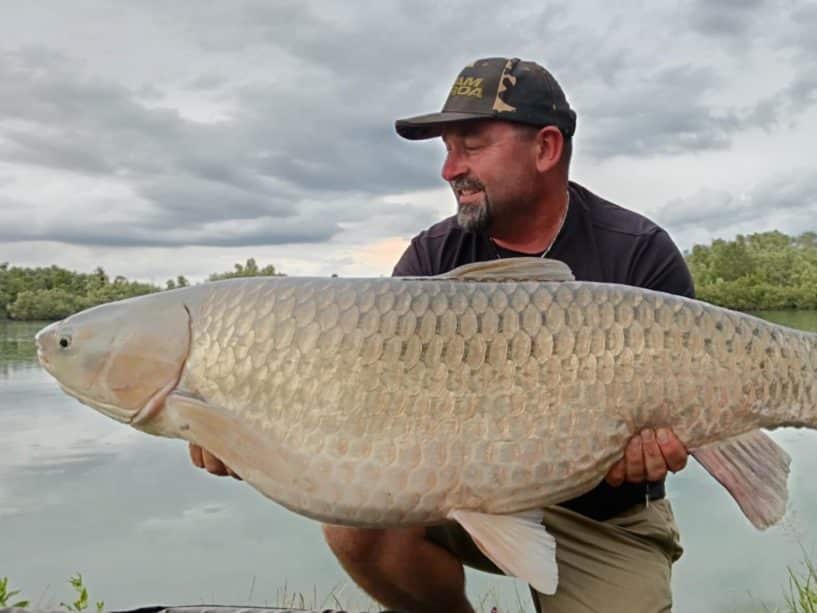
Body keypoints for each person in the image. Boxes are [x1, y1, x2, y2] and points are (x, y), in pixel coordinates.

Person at [190, 57, 696, 613]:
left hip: (602, 512)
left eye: (471, 146)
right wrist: (252, 429)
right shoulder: (431, 258)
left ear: (546, 149)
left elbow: (686, 417)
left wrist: (664, 445)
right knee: (356, 527)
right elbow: (370, 399)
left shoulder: (638, 252)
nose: (449, 169)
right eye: (447, 150)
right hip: (454, 499)